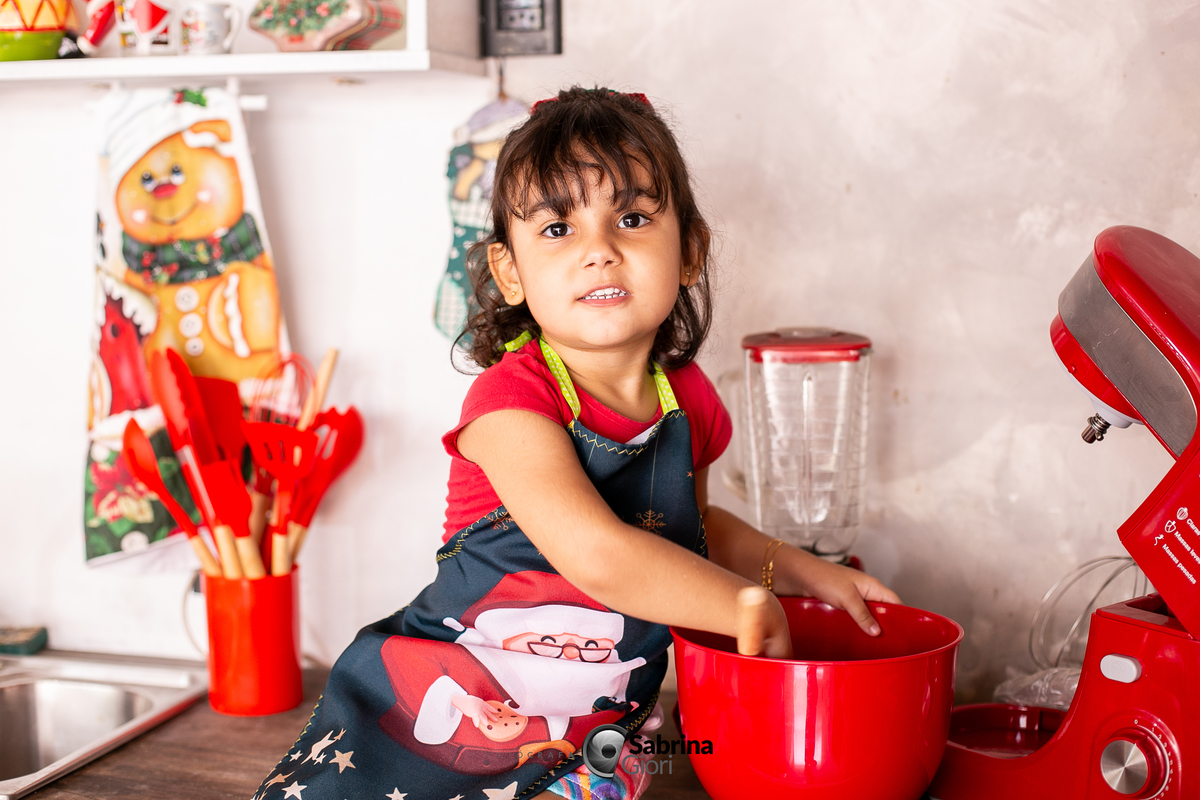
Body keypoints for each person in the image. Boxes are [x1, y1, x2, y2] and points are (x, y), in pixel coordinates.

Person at [255, 87, 899, 800]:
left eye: (631, 218)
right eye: (558, 230)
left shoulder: (691, 399)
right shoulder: (510, 399)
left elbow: (693, 529)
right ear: (510, 272)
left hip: (590, 718)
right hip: (460, 692)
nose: (600, 251)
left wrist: (802, 571)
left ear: (689, 251)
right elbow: (596, 554)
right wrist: (747, 606)